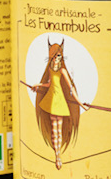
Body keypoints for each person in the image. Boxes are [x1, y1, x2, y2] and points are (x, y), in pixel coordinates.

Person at [32, 39, 89, 169]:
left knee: (59, 130)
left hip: (60, 102)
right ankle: (57, 155)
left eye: (58, 56)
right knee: (54, 130)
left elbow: (71, 88)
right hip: (51, 100)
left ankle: (58, 155)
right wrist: (38, 85)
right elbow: (49, 84)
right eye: (54, 56)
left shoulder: (63, 71)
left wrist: (81, 105)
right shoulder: (51, 70)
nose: (56, 58)